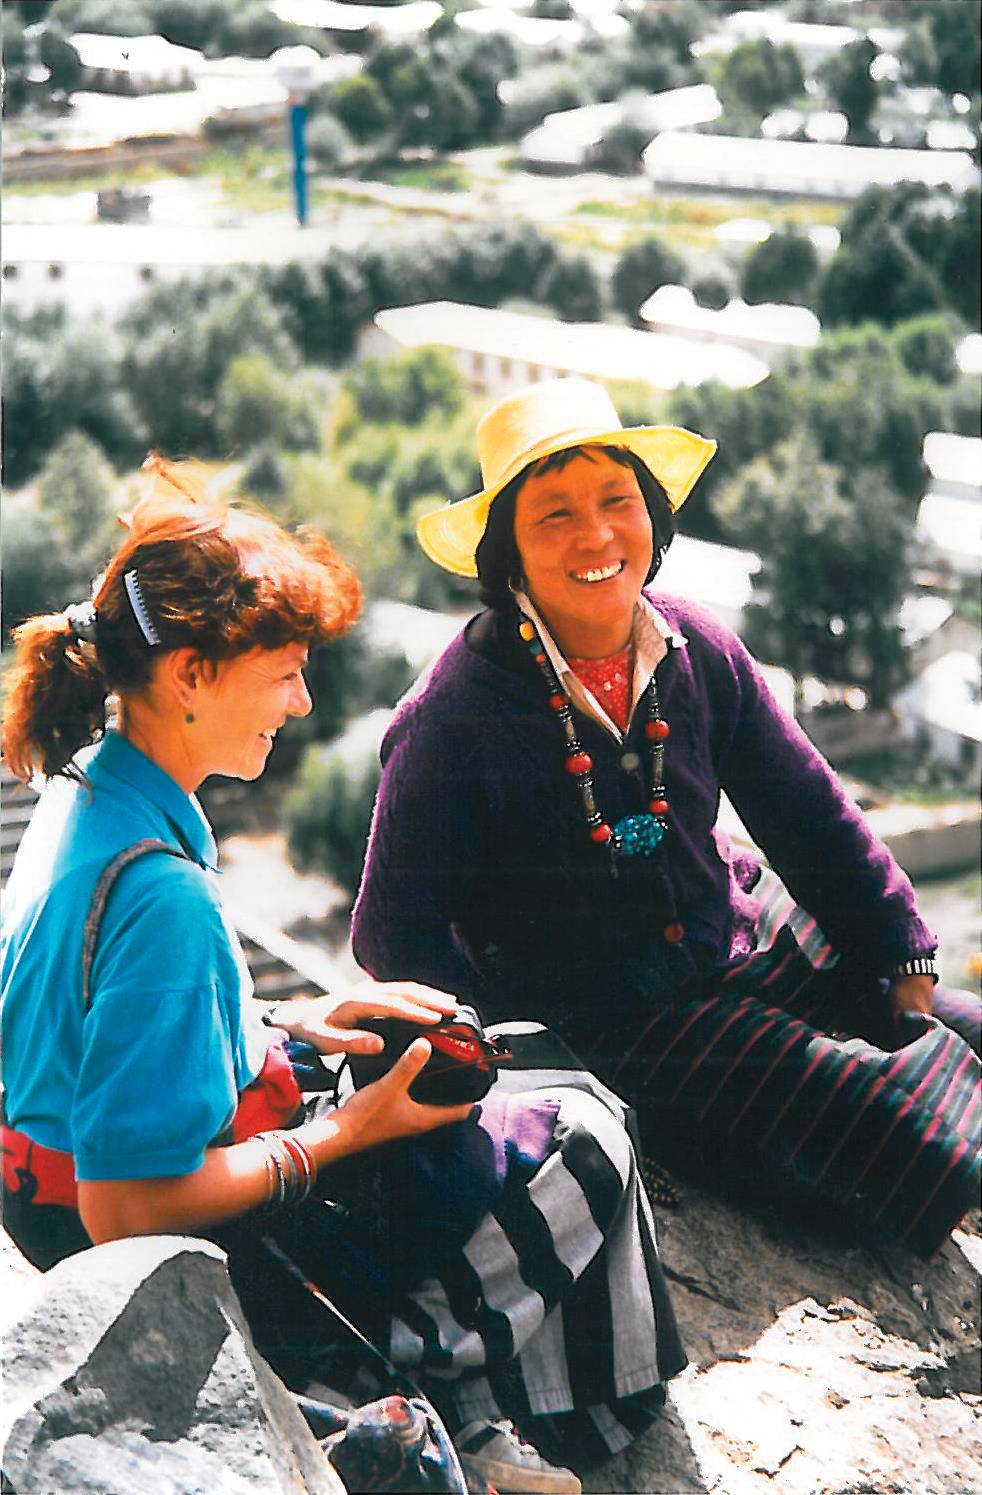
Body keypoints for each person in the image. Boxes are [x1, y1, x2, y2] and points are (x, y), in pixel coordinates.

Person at [0, 458, 687, 1495]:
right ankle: (412, 1371)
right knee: (586, 1139)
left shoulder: (90, 792)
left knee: (522, 1064)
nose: (303, 699)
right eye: (281, 671)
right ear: (188, 673)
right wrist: (345, 1134)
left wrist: (293, 1015)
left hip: (50, 1193)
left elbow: (100, 1021)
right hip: (165, 1258)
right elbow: (126, 1213)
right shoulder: (162, 896)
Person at [352, 377, 981, 1259]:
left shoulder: (695, 642)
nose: (598, 535)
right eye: (554, 516)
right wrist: (516, 1050)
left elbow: (801, 804)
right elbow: (393, 933)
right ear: (509, 558)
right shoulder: (453, 717)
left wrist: (896, 944)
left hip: (743, 934)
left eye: (619, 500)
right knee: (878, 1118)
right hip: (619, 1022)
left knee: (952, 1021)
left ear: (653, 514)